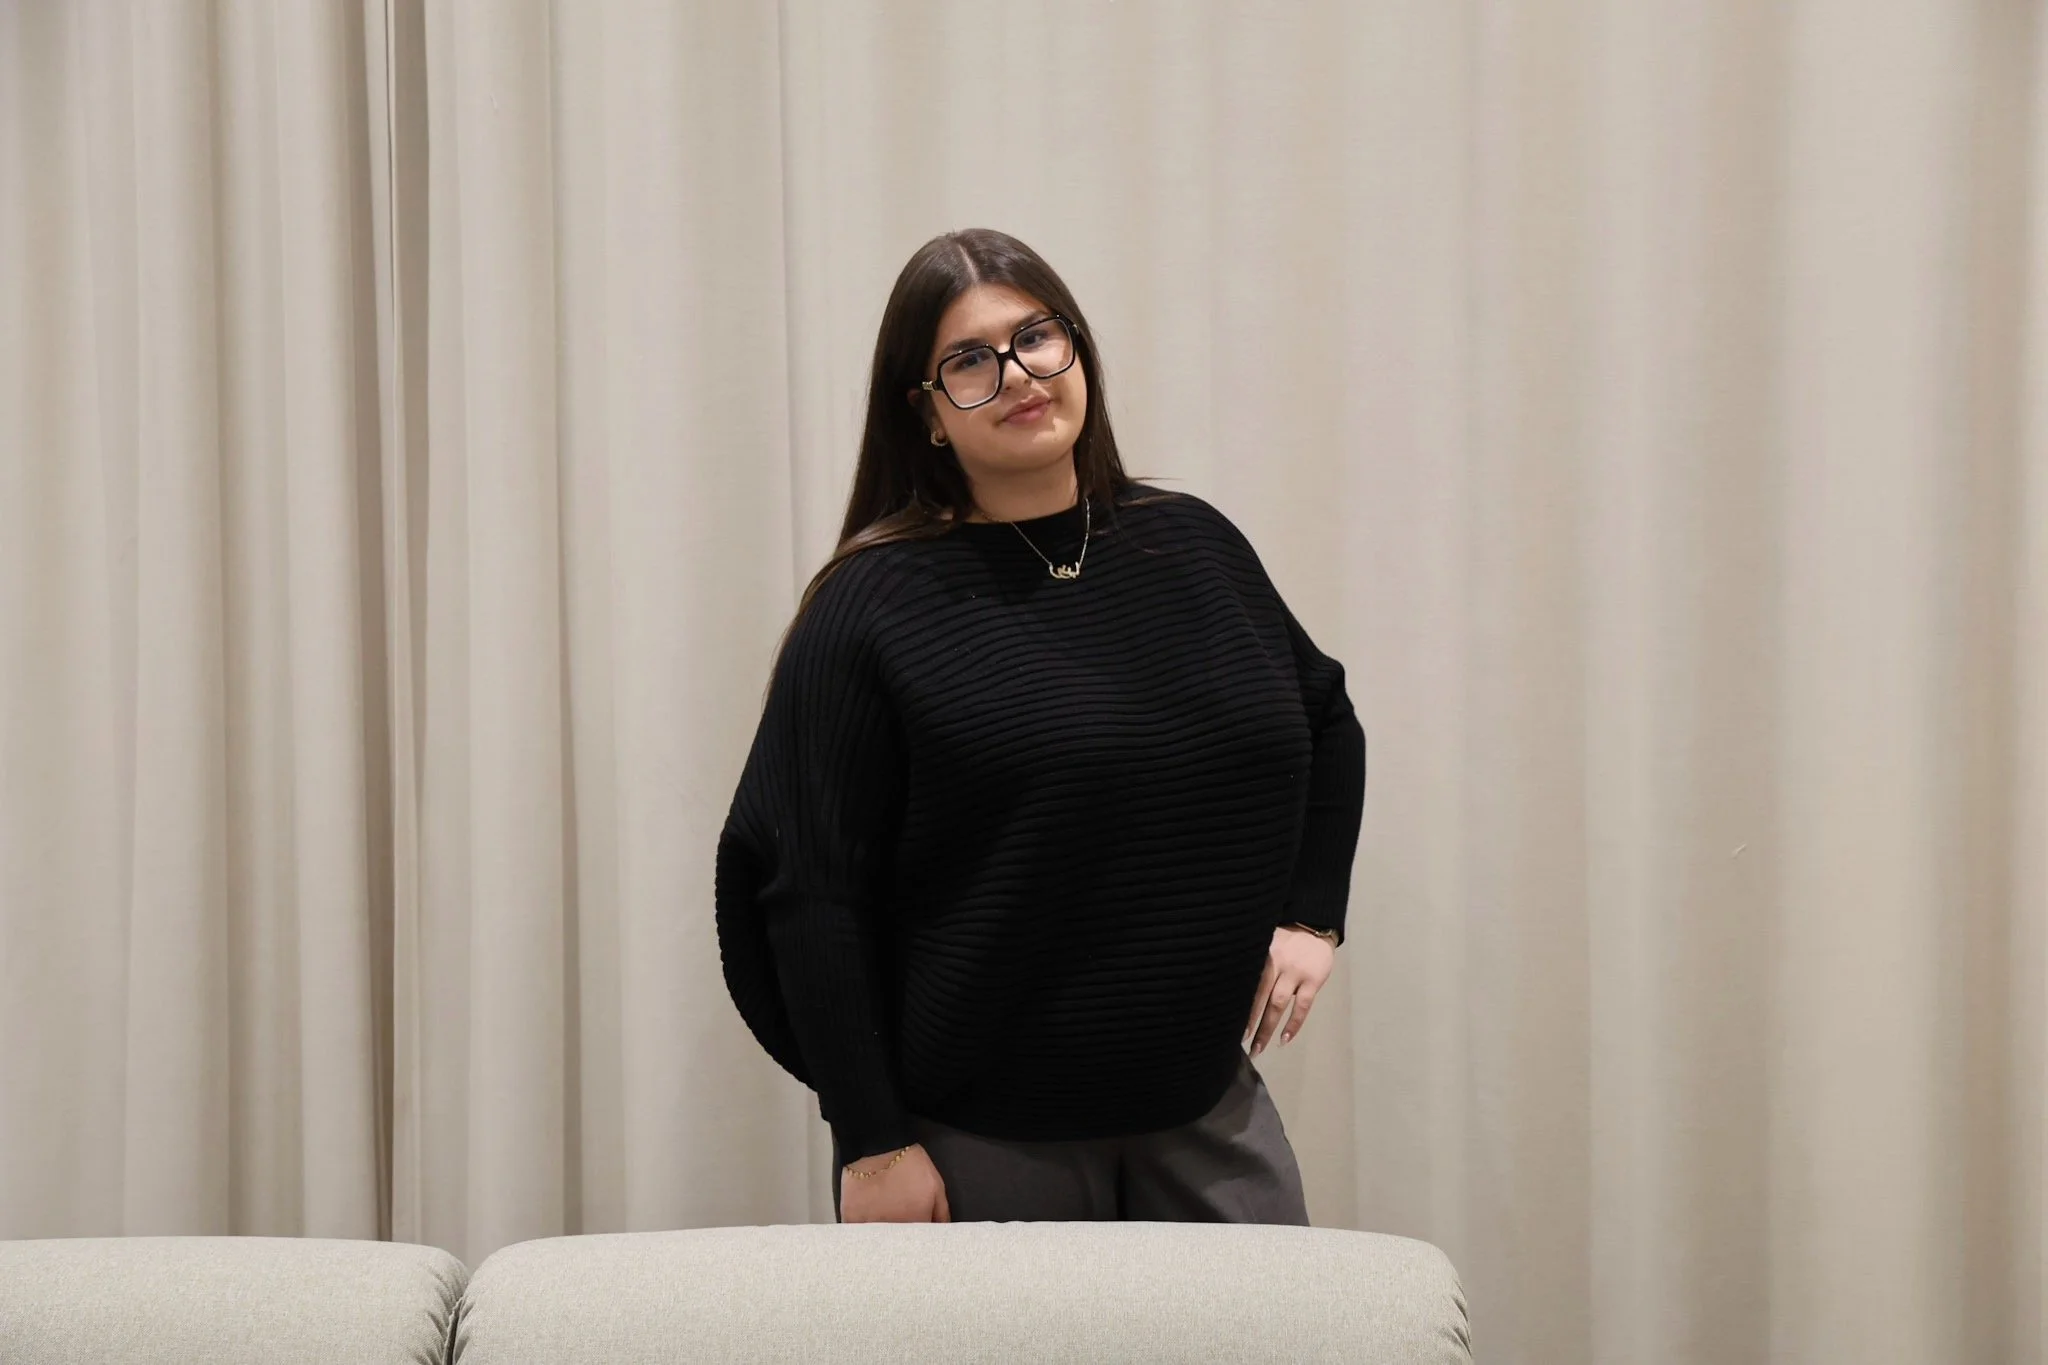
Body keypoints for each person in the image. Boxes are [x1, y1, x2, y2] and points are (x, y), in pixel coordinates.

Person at [715, 228, 1366, 1225]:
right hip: (978, 1134)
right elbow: (808, 893)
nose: (1017, 373)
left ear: (1076, 350)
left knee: (1289, 1312)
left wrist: (1313, 915)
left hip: (1207, 1102)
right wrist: (872, 1140)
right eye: (968, 360)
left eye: (1034, 337)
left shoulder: (1191, 545)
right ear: (927, 413)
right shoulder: (871, 605)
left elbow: (1324, 718)